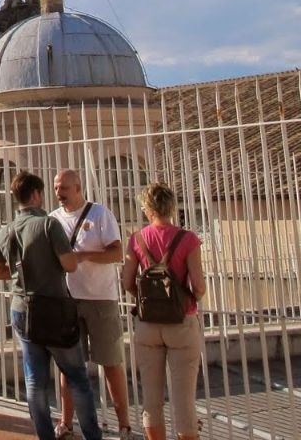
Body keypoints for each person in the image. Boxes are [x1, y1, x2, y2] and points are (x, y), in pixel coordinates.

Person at [0, 171, 102, 440]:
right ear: (37, 194)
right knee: (77, 377)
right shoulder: (48, 225)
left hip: (21, 306)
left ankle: (45, 435)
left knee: (34, 381)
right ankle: (92, 435)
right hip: (53, 307)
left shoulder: (6, 230)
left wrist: (20, 273)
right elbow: (69, 265)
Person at [51, 169, 133, 440]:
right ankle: (66, 422)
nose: (59, 193)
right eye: (56, 188)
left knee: (110, 362)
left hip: (101, 299)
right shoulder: (53, 220)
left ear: (78, 187)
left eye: (64, 188)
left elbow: (117, 252)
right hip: (68, 300)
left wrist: (83, 255)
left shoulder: (100, 215)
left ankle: (124, 425)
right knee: (69, 365)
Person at [121, 183, 206, 440]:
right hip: (181, 321)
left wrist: (148, 298)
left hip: (148, 324)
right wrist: (186, 297)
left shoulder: (136, 239)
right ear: (171, 206)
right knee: (184, 399)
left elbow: (127, 282)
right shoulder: (188, 239)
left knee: (151, 396)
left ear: (147, 209)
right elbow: (199, 286)